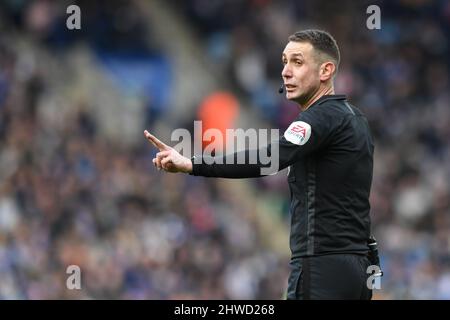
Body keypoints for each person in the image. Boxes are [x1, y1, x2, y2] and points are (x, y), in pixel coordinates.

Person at [144, 29, 378, 300]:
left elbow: (269, 158)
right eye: (284, 61)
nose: (286, 72)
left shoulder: (319, 117)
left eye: (297, 62)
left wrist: (192, 164)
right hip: (358, 267)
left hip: (322, 264)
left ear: (326, 71)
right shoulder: (356, 120)